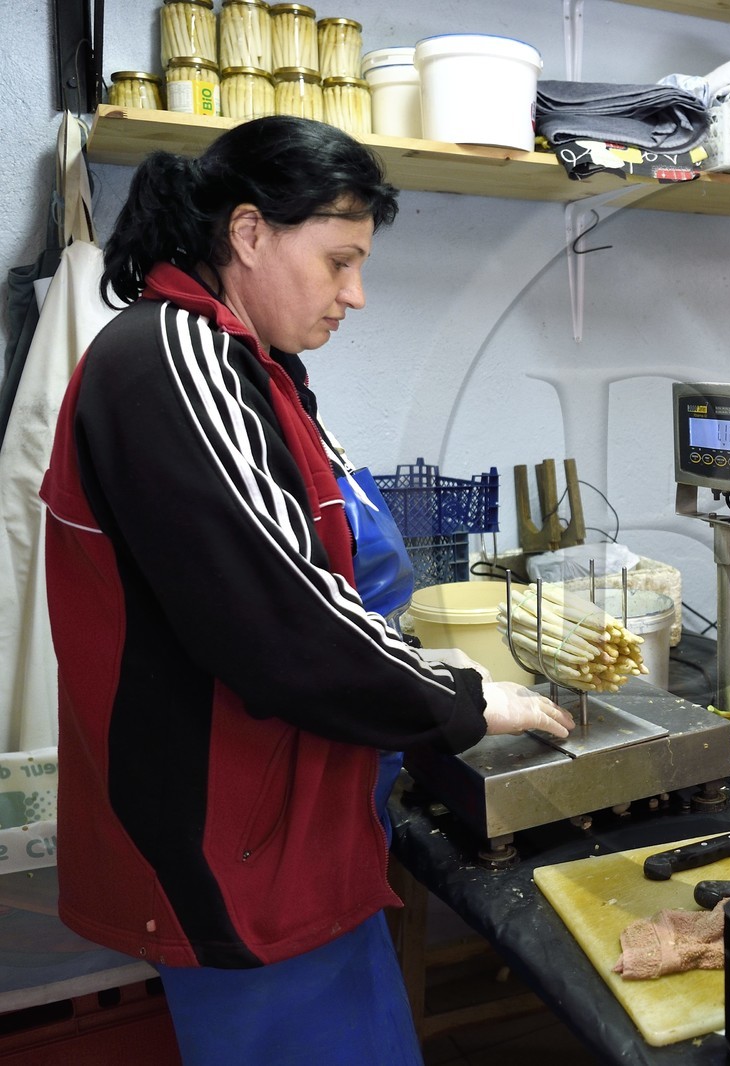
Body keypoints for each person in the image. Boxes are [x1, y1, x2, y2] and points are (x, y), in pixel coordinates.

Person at [38, 116, 574, 1064]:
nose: (355, 295)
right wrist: (461, 696)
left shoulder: (259, 369)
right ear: (248, 234)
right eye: (338, 262)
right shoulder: (173, 363)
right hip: (234, 844)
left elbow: (313, 565)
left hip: (297, 825)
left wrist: (412, 658)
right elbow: (283, 618)